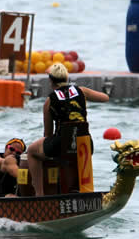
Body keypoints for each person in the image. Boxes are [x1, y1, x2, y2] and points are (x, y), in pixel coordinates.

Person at [27, 63, 109, 196]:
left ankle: (39, 195)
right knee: (75, 145)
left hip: (62, 144)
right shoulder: (81, 91)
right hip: (86, 144)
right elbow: (106, 98)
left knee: (31, 151)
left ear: (50, 80)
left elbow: (47, 133)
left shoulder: (49, 101)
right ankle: (83, 191)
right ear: (67, 78)